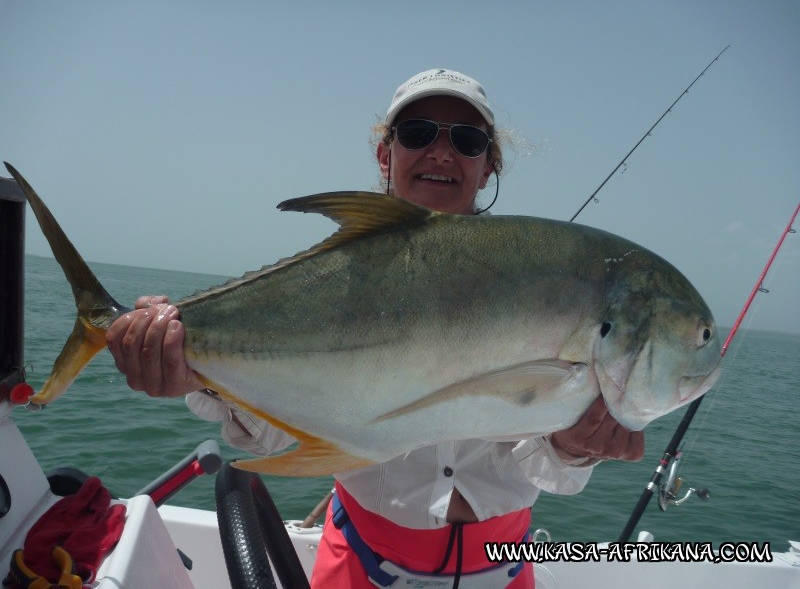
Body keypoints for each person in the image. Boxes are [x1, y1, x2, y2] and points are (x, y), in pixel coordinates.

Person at [106, 69, 644, 588]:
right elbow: (271, 434)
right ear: (387, 155)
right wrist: (195, 372)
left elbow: (548, 472)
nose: (440, 151)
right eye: (416, 133)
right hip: (360, 568)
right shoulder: (327, 288)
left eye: (466, 139)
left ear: (488, 165)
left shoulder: (541, 287)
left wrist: (574, 447)